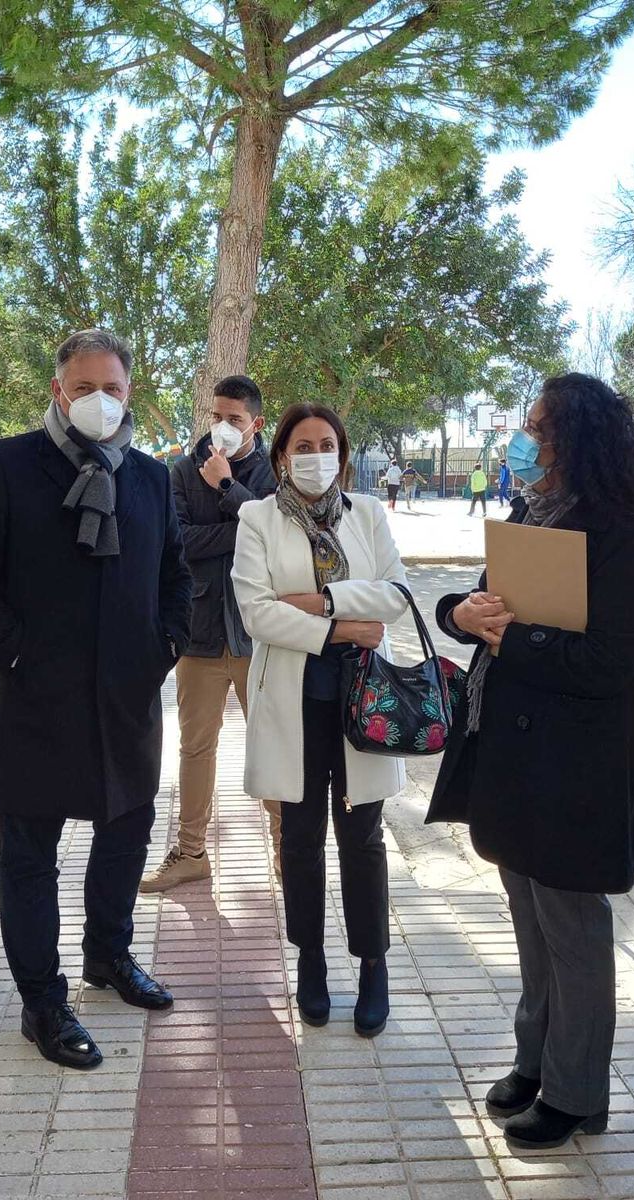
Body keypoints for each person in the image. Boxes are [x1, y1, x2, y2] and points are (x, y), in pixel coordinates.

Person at [428, 373, 634, 1151]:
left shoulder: (617, 534)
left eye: (538, 427)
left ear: (578, 440)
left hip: (575, 770)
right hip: (514, 760)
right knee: (531, 923)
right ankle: (535, 1062)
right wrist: (462, 614)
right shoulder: (531, 514)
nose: (523, 440)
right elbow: (480, 606)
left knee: (572, 930)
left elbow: (608, 662)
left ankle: (576, 1095)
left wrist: (515, 638)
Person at [0, 329, 192, 1070]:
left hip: (127, 698)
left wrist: (165, 646)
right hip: (37, 699)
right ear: (58, 391)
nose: (98, 401)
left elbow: (177, 577)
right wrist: (15, 650)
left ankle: (108, 955)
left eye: (111, 388)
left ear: (130, 392)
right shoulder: (8, 464)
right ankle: (42, 1000)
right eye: (84, 388)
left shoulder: (150, 477)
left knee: (125, 836)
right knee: (29, 856)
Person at [231, 403, 411, 1039]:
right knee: (301, 840)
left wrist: (321, 600)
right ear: (282, 455)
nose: (316, 456)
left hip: (362, 704)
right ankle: (310, 958)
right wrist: (342, 628)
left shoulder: (369, 513)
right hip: (295, 703)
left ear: (343, 451)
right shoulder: (257, 518)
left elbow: (395, 594)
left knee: (363, 839)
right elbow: (256, 612)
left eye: (327, 444)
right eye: (302, 446)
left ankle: (373, 965)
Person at [143, 375, 279, 893]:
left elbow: (279, 538)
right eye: (217, 416)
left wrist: (227, 488)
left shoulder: (274, 471)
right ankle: (191, 852)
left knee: (272, 744)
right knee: (195, 748)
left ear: (255, 423)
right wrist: (246, 525)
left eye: (234, 419)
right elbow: (178, 543)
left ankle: (287, 848)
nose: (223, 426)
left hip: (257, 635)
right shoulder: (182, 470)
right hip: (199, 634)